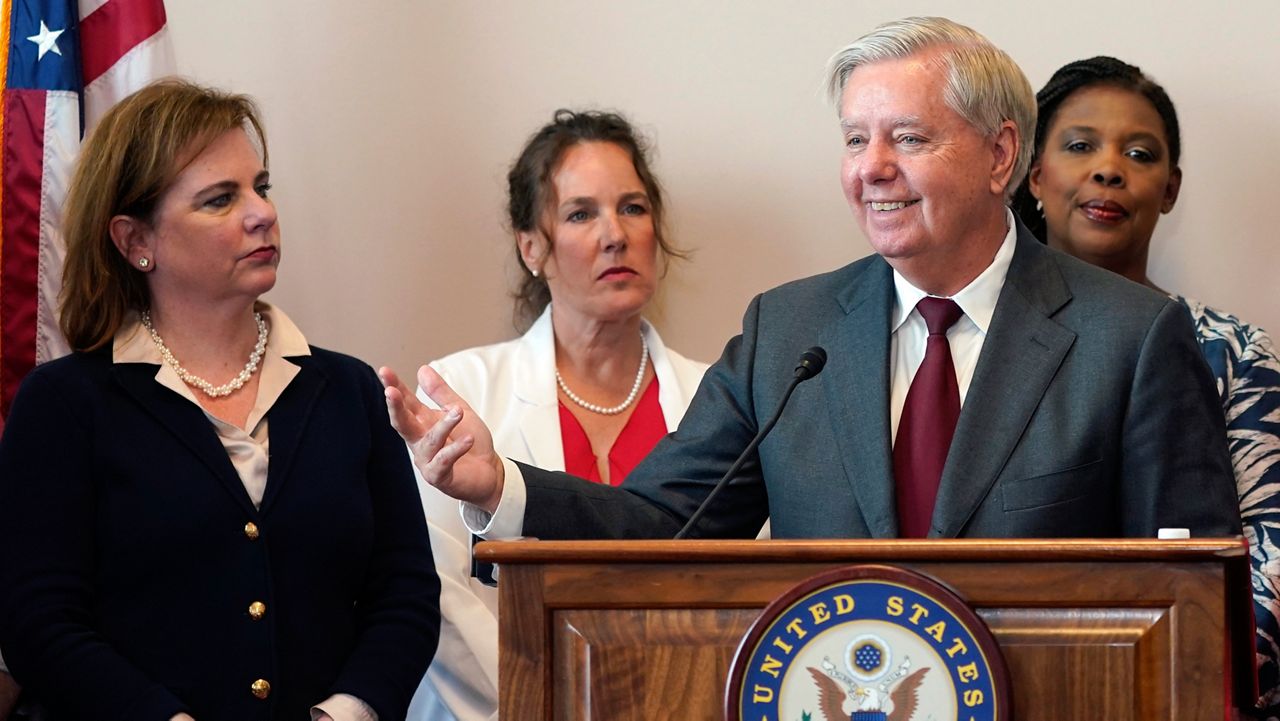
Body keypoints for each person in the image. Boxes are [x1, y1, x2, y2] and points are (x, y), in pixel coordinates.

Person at [379, 17, 1239, 548]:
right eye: (855, 140)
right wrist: (501, 486)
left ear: (1002, 155)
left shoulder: (1128, 339)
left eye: (907, 137)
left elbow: (1191, 599)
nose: (873, 170)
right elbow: (658, 523)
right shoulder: (789, 335)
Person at [0, 80, 440, 721]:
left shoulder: (350, 391)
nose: (261, 213)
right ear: (135, 242)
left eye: (261, 187)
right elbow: (38, 620)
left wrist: (346, 713)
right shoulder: (66, 404)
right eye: (219, 199)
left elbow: (404, 593)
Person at [406, 110, 709, 721]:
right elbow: (436, 598)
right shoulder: (459, 389)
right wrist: (561, 704)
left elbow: (737, 593)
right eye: (580, 214)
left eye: (633, 207)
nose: (615, 234)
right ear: (532, 248)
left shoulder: (716, 395)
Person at [1011, 56, 1280, 717]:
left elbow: (1267, 559)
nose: (1109, 167)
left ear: (1170, 188)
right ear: (1033, 173)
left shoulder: (1232, 350)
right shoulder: (962, 340)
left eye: (1139, 153)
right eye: (1080, 145)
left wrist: (1158, 671)